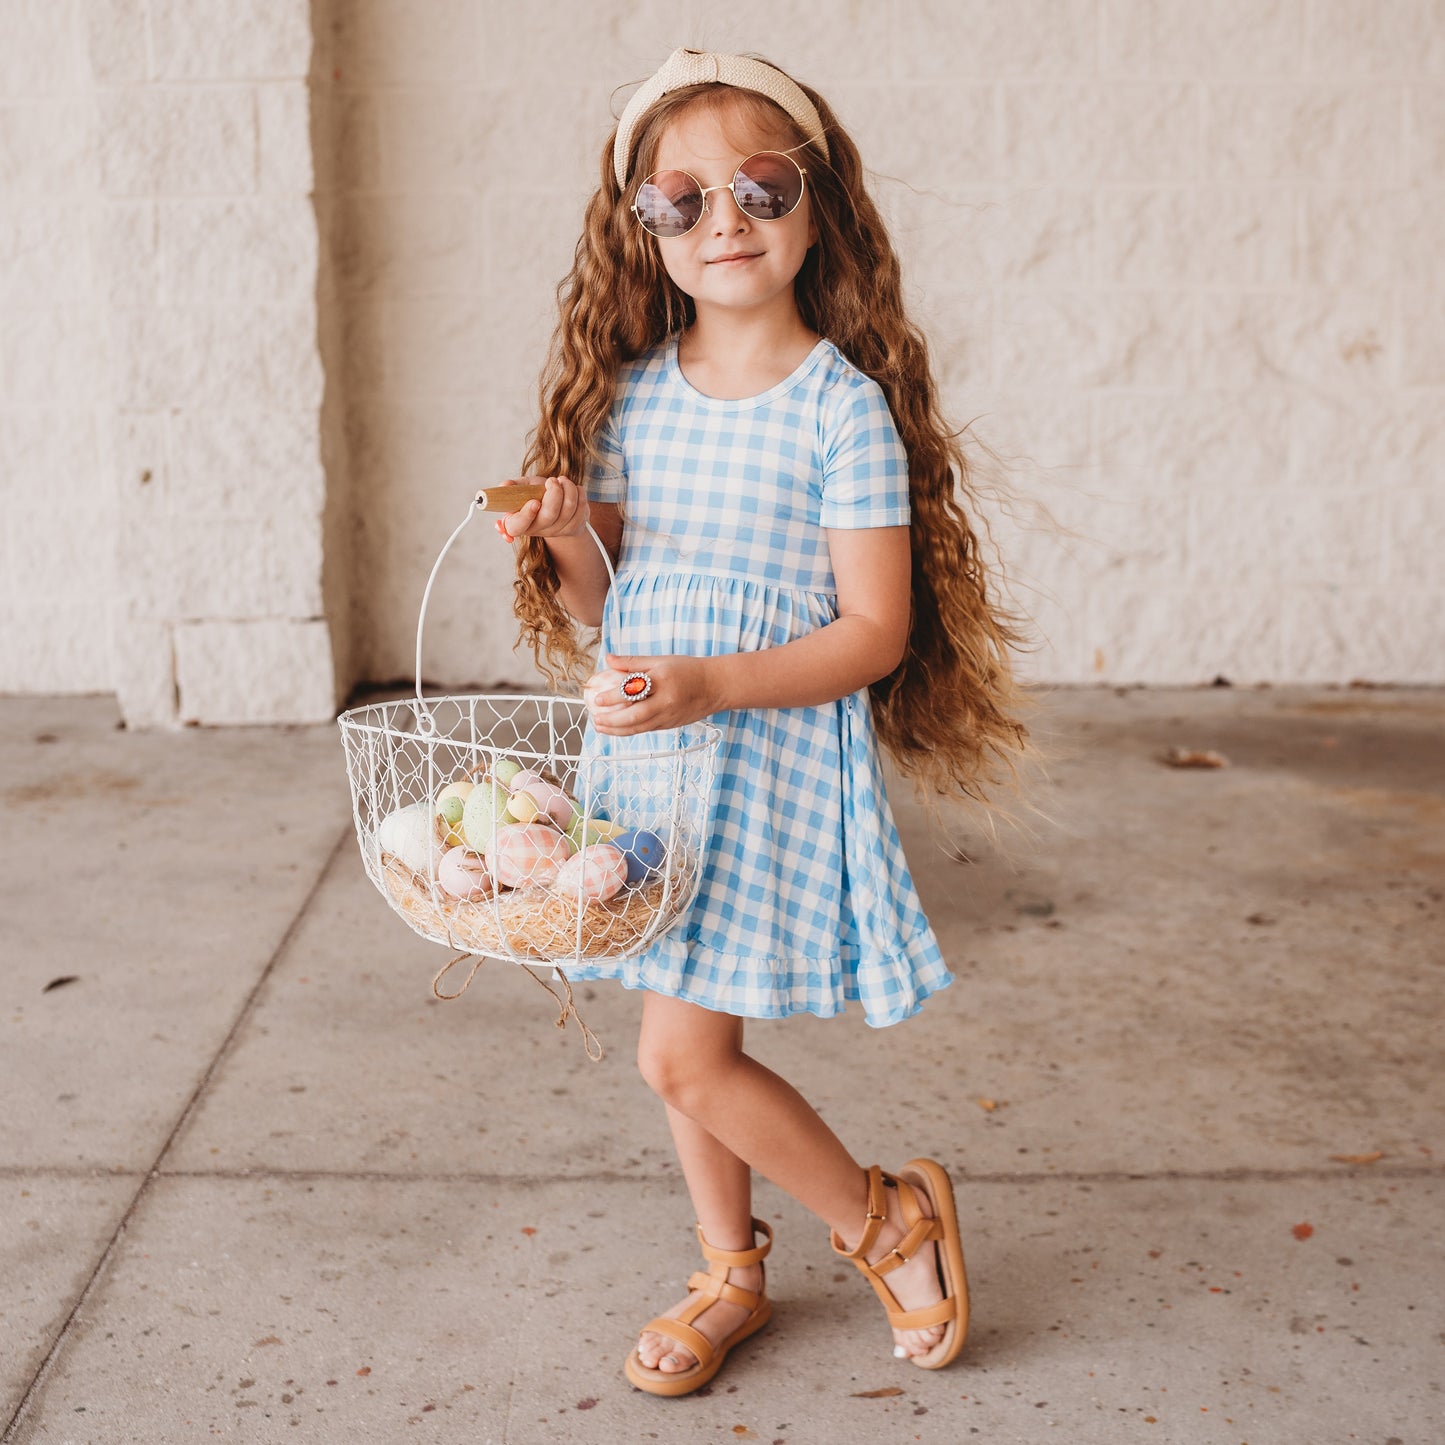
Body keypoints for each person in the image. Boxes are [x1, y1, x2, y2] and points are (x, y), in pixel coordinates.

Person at [493, 47, 1029, 1397]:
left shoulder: (840, 410)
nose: (721, 219)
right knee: (696, 1045)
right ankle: (729, 1267)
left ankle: (882, 1213)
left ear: (817, 201)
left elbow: (870, 633)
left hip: (765, 753)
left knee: (678, 1047)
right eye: (680, 199)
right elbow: (613, 600)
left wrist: (712, 682)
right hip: (655, 752)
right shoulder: (629, 395)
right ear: (642, 228)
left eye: (758, 186)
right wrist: (564, 539)